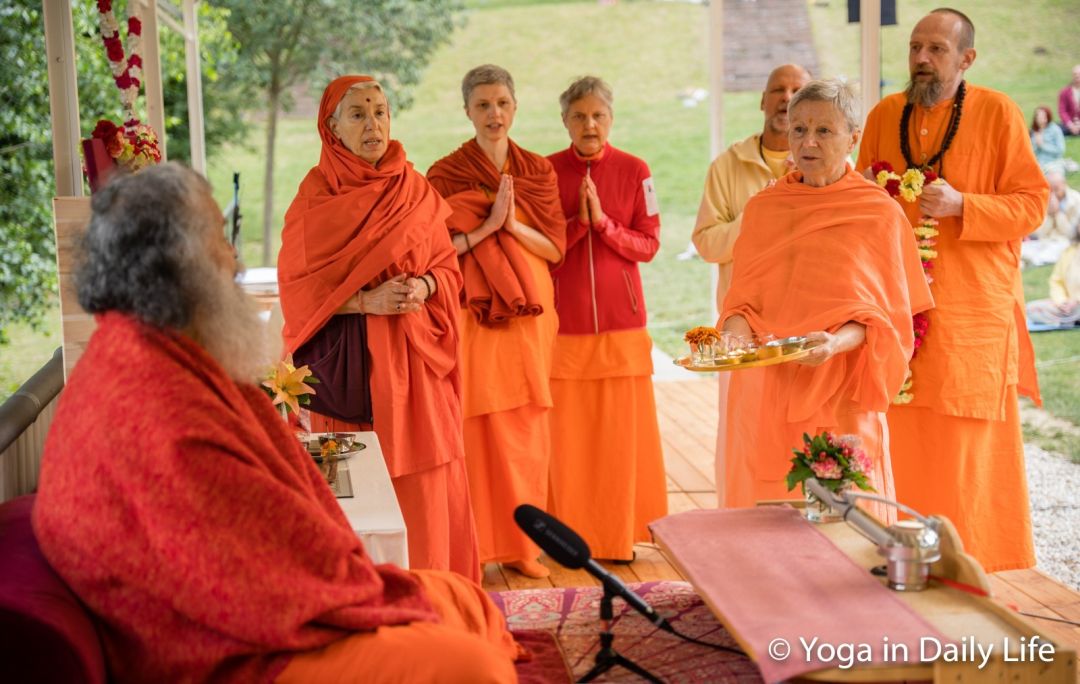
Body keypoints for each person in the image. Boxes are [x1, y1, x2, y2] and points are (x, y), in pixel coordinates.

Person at [31, 163, 520, 683]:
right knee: (471, 664)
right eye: (222, 238)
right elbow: (257, 575)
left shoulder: (148, 347)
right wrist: (364, 591)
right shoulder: (156, 400)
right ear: (179, 264)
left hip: (262, 611)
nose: (235, 260)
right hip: (233, 651)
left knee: (464, 599)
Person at [856, 9, 1049, 572]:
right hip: (900, 304)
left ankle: (975, 565)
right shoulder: (885, 114)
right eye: (916, 46)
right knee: (898, 433)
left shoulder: (996, 112)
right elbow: (862, 196)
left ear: (966, 59)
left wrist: (967, 205)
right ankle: (899, 556)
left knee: (965, 444)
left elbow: (1033, 204)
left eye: (937, 49)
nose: (921, 58)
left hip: (969, 312)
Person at [278, 76, 481, 581]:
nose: (374, 124)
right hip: (349, 373)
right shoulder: (314, 200)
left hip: (416, 366)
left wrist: (426, 288)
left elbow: (448, 270)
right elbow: (296, 291)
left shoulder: (415, 191)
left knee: (428, 482)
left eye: (381, 111)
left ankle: (440, 597)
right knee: (356, 495)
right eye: (359, 114)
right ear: (332, 129)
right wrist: (363, 300)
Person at [719, 79, 932, 523]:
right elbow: (742, 303)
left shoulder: (878, 212)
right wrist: (732, 340)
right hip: (769, 388)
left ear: (853, 137)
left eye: (823, 131)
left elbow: (885, 319)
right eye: (798, 129)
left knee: (846, 514)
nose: (807, 142)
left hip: (842, 387)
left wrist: (834, 344)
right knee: (769, 514)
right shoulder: (766, 208)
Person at [427, 65, 565, 578]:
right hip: (472, 310)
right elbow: (436, 249)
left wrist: (510, 225)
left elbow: (554, 247)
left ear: (516, 106)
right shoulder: (445, 173)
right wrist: (488, 227)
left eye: (502, 103)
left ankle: (524, 547)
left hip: (529, 310)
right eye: (483, 105)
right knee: (471, 423)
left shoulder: (537, 171)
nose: (494, 114)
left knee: (526, 425)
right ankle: (476, 544)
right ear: (467, 110)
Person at [545, 76, 667, 561]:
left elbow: (650, 244)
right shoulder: (546, 172)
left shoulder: (637, 171)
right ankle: (564, 539)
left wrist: (604, 226)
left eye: (597, 115)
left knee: (620, 441)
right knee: (569, 445)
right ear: (565, 122)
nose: (589, 124)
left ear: (610, 118)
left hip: (622, 330)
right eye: (579, 116)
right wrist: (578, 226)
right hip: (564, 331)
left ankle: (617, 537)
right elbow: (544, 251)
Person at [691, 63, 811, 504]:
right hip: (743, 330)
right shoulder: (728, 165)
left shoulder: (829, 166)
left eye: (798, 89)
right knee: (743, 434)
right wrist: (758, 215)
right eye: (778, 89)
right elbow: (706, 243)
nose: (787, 97)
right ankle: (737, 519)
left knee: (800, 433)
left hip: (806, 327)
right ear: (762, 101)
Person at [1026, 226, 1080, 327]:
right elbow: (1056, 281)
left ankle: (1068, 320)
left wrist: (1077, 300)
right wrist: (1061, 302)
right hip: (1068, 305)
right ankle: (1070, 320)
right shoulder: (1069, 251)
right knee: (1031, 309)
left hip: (1077, 303)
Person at [1030, 105, 1066, 174]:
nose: (1040, 118)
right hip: (1037, 163)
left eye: (1043, 116)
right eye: (1038, 116)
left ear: (1047, 117)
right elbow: (1031, 152)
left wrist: (1042, 145)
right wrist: (1036, 144)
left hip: (1053, 162)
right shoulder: (1034, 131)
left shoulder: (1055, 130)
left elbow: (1060, 150)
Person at [1058, 64, 1080, 136]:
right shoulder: (1064, 92)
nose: (1077, 77)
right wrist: (1070, 125)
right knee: (1056, 129)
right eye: (1075, 74)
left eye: (1079, 74)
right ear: (1072, 76)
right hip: (1068, 124)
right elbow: (1062, 111)